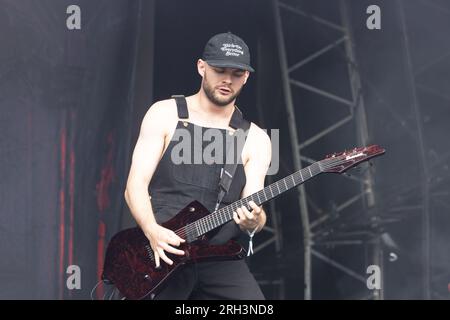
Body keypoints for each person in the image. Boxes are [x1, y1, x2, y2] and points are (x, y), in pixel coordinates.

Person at [124, 32, 272, 299]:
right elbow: (134, 186)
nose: (228, 79)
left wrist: (255, 219)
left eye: (237, 73)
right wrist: (152, 230)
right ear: (201, 67)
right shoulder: (165, 113)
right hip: (163, 248)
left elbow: (255, 210)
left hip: (218, 255)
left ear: (246, 77)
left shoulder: (256, 139)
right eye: (219, 70)